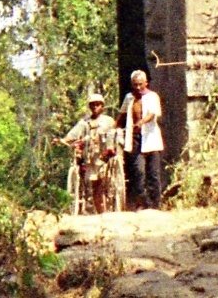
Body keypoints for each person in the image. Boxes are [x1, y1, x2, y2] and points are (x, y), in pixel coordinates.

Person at [60, 92, 118, 213]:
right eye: (92, 105)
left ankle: (107, 207)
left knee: (102, 182)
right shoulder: (84, 122)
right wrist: (64, 140)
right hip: (90, 155)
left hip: (104, 155)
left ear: (102, 106)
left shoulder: (108, 121)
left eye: (98, 104)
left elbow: (115, 133)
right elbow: (73, 133)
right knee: (95, 184)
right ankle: (100, 211)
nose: (95, 107)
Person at [121, 69, 163, 209]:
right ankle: (144, 203)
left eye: (140, 84)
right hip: (135, 139)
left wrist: (141, 122)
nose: (138, 88)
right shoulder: (129, 98)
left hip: (150, 138)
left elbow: (152, 113)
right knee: (139, 172)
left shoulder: (152, 97)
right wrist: (114, 127)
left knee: (154, 174)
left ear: (146, 83)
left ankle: (155, 205)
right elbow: (122, 114)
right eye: (135, 85)